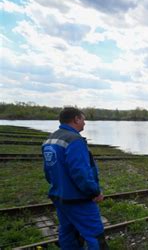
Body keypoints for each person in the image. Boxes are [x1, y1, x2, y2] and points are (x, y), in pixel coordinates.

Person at [42, 107, 108, 249]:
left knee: (67, 232)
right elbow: (81, 173)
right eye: (83, 119)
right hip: (78, 199)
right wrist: (95, 192)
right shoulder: (74, 140)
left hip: (59, 196)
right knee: (94, 234)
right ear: (76, 119)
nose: (84, 123)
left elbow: (48, 172)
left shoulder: (50, 139)